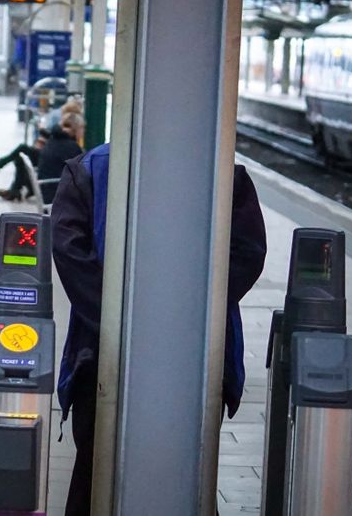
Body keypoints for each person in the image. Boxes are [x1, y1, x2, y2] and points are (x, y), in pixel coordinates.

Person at [50, 143, 267, 516]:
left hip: (102, 354)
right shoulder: (225, 174)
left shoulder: (87, 170)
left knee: (93, 473)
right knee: (189, 473)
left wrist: (119, 324)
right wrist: (187, 321)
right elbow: (248, 253)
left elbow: (71, 256)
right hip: (195, 356)